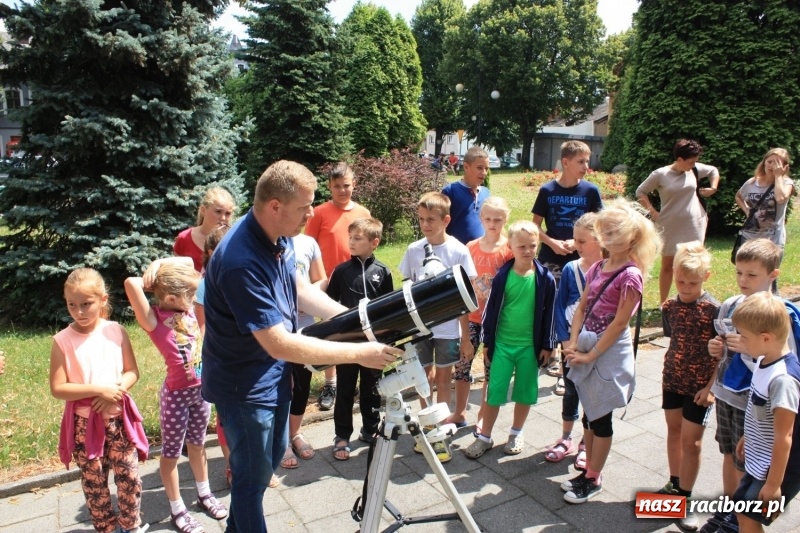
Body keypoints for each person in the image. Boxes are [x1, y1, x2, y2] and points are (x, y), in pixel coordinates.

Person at [201, 160, 400, 533]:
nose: (312, 214)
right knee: (250, 481)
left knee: (270, 459)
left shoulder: (278, 237)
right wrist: (360, 352)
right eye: (304, 206)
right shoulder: (240, 261)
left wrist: (361, 322)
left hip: (272, 375)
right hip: (244, 386)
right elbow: (279, 343)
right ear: (275, 205)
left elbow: (301, 290)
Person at [561, 198, 662, 504]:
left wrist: (591, 354)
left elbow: (620, 323)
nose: (607, 237)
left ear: (632, 238)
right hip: (588, 345)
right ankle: (589, 470)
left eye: (614, 232)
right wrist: (574, 340)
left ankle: (593, 478)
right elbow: (582, 307)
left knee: (600, 417)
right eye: (605, 231)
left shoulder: (631, 275)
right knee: (589, 415)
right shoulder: (599, 267)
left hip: (608, 351)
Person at [125, 258, 228, 533]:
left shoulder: (189, 311)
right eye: (190, 295)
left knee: (198, 445)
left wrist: (159, 261)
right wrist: (153, 274)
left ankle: (204, 494)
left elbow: (186, 262)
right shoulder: (153, 320)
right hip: (176, 398)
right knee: (171, 453)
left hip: (202, 392)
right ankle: (177, 509)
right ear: (171, 297)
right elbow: (130, 283)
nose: (195, 299)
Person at [50, 268, 147, 533]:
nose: (79, 311)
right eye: (72, 305)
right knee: (95, 484)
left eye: (86, 304)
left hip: (119, 420)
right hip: (85, 426)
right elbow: (58, 388)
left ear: (103, 300)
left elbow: (132, 371)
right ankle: (106, 528)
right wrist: (99, 390)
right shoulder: (62, 341)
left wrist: (116, 390)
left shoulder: (115, 331)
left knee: (129, 478)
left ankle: (131, 526)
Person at [702, 239, 785, 533]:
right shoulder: (730, 305)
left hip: (755, 401)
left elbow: (783, 360)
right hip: (727, 394)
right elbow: (724, 348)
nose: (742, 280)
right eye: (739, 272)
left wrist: (750, 351)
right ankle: (729, 511)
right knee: (727, 452)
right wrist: (718, 349)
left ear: (772, 275)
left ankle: (741, 518)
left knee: (746, 462)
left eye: (751, 275)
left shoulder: (777, 313)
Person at [463, 220, 555, 459]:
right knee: (494, 392)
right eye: (521, 246)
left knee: (524, 392)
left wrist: (548, 345)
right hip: (502, 345)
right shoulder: (502, 277)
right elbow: (490, 312)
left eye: (532, 246)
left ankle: (516, 432)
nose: (527, 251)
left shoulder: (545, 278)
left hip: (529, 347)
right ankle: (484, 437)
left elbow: (550, 314)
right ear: (511, 247)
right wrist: (488, 343)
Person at [399, 191, 477, 463]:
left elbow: (466, 300)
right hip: (421, 329)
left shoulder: (458, 251)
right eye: (421, 219)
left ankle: (441, 428)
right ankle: (426, 425)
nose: (425, 225)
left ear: (446, 220)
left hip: (448, 330)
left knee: (444, 379)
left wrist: (466, 337)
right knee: (423, 379)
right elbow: (407, 289)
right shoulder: (413, 250)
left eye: (431, 219)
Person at [656, 241, 719, 532]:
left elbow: (725, 355)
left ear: (705, 277)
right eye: (680, 281)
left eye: (692, 282)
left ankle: (686, 498)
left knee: (692, 443)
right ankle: (674, 483)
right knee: (674, 432)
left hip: (699, 387)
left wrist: (711, 388)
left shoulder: (714, 310)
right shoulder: (670, 306)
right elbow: (674, 340)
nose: (684, 287)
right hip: (673, 379)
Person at [531, 140, 603, 377]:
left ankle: (567, 364)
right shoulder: (547, 191)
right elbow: (535, 227)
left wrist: (576, 243)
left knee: (573, 308)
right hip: (551, 258)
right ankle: (550, 355)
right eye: (581, 161)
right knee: (550, 306)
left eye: (587, 161)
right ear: (565, 162)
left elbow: (599, 226)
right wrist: (551, 242)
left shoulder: (590, 192)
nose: (586, 166)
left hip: (582, 260)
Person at [730, 292, 800, 533]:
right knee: (742, 512)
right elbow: (761, 410)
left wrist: (773, 484)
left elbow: (785, 436)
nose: (740, 340)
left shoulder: (783, 380)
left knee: (750, 518)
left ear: (766, 338)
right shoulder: (763, 359)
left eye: (744, 336)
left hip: (777, 467)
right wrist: (749, 435)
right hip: (760, 457)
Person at [326, 217, 394, 461]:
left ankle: (371, 429)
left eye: (358, 238)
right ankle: (342, 435)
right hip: (347, 344)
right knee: (345, 389)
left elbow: (389, 309)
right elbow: (329, 306)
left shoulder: (383, 272)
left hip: (373, 344)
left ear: (374, 242)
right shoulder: (342, 272)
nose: (351, 242)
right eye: (350, 237)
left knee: (372, 388)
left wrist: (387, 340)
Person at [305, 162, 371, 411]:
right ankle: (330, 382)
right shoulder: (320, 212)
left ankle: (355, 378)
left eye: (346, 185)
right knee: (330, 333)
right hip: (329, 283)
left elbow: (368, 245)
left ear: (354, 184)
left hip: (355, 282)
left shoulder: (363, 212)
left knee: (356, 328)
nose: (342, 191)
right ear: (329, 187)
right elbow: (308, 248)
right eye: (336, 186)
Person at [447, 196, 512, 432]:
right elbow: (461, 283)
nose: (492, 223)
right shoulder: (471, 247)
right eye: (487, 218)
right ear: (480, 218)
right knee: (462, 367)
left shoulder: (509, 250)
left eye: (498, 219)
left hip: (496, 321)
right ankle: (459, 412)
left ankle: (484, 416)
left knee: (490, 370)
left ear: (506, 219)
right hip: (471, 318)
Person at [544, 212, 603, 468]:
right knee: (570, 391)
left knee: (592, 394)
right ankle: (566, 436)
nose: (576, 246)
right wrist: (565, 340)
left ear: (599, 240)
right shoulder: (571, 268)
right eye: (575, 240)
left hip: (597, 345)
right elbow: (559, 306)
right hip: (571, 343)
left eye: (582, 241)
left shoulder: (609, 269)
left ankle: (585, 443)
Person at [635, 139, 721, 304]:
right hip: (670, 225)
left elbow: (713, 171)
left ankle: (694, 300)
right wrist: (652, 211)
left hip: (695, 223)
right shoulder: (660, 174)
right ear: (679, 159)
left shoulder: (693, 169)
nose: (693, 165)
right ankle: (664, 303)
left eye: (695, 161)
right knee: (668, 264)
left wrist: (713, 188)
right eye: (690, 162)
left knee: (695, 263)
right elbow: (641, 191)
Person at [442, 146, 492, 427]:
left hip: (482, 272)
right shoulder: (451, 191)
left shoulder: (485, 195)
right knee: (462, 330)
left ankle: (482, 408)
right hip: (457, 270)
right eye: (479, 168)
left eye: (486, 168)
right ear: (466, 167)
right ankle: (454, 406)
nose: (483, 173)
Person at [280, 232, 326, 470]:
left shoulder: (309, 243)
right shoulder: (270, 238)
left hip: (305, 327)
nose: (307, 213)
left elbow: (321, 279)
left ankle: (295, 434)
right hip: (278, 328)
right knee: (279, 385)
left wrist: (307, 296)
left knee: (301, 383)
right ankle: (280, 441)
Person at [194, 225, 234, 486]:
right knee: (226, 417)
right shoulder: (204, 285)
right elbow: (203, 328)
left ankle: (254, 464)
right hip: (220, 358)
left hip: (245, 356)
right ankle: (232, 465)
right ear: (210, 252)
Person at [735, 147, 795, 292]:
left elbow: (780, 198)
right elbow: (739, 196)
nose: (772, 166)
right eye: (770, 161)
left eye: (778, 163)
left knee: (769, 280)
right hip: (750, 237)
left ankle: (772, 310)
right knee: (749, 277)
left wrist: (779, 177)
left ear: (785, 166)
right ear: (764, 162)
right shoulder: (752, 183)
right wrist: (747, 210)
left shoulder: (787, 183)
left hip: (772, 240)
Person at [173, 186, 236, 272]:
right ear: (203, 210)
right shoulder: (184, 238)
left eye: (228, 213)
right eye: (218, 212)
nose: (223, 218)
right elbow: (177, 273)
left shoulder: (233, 240)